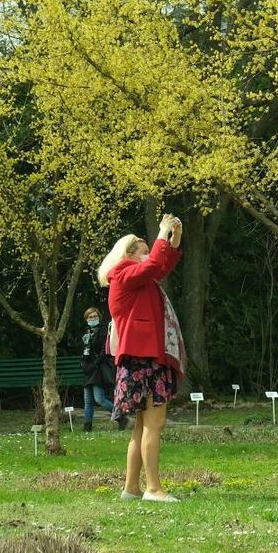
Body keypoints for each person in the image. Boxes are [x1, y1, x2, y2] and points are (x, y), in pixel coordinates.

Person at [97, 214, 185, 503]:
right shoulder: (123, 274)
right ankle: (154, 488)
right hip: (144, 359)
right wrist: (161, 232)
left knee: (141, 425)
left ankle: (131, 488)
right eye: (144, 251)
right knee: (154, 424)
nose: (149, 255)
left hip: (139, 360)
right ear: (128, 255)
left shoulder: (137, 280)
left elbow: (160, 266)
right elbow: (153, 265)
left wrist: (174, 239)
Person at [79, 307, 124, 431]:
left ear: (99, 316)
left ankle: (121, 416)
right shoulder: (87, 332)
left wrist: (95, 363)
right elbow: (83, 350)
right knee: (87, 401)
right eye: (90, 317)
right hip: (88, 370)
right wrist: (82, 363)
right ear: (86, 319)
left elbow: (105, 350)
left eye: (95, 316)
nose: (92, 319)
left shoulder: (103, 330)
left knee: (100, 399)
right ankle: (87, 427)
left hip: (98, 368)